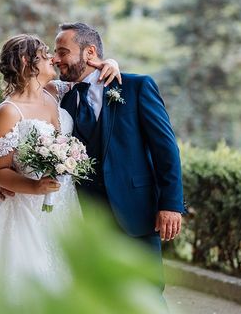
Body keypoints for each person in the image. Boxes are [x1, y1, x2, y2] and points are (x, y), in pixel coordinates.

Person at [0, 34, 120, 302]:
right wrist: (34, 186)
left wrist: (112, 63)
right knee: (29, 285)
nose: (52, 58)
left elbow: (89, 78)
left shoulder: (55, 92)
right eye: (45, 53)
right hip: (27, 211)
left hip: (66, 205)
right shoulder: (8, 112)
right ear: (27, 61)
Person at [51, 22, 186, 296]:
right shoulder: (61, 98)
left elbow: (166, 150)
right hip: (85, 216)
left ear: (89, 52)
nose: (56, 59)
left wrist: (171, 204)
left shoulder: (135, 87)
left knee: (146, 292)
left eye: (63, 52)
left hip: (135, 210)